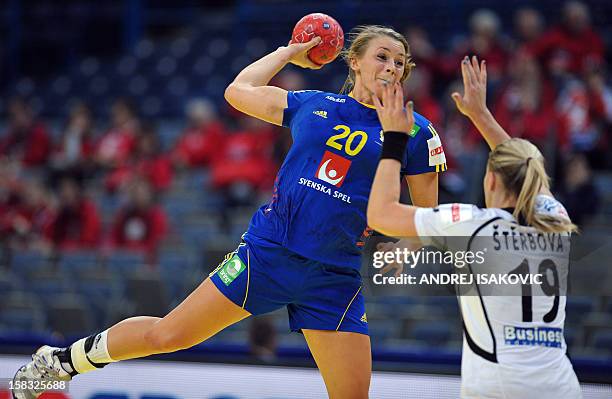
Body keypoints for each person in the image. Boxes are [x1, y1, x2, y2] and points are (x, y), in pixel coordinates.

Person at [11, 25, 446, 399]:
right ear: (353, 61)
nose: (392, 67)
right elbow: (238, 93)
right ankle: (61, 361)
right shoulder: (314, 104)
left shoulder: (416, 130)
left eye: (400, 63)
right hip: (269, 253)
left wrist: (405, 248)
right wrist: (290, 52)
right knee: (169, 335)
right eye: (382, 56)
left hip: (334, 274)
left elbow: (426, 213)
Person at [367, 56, 581, 399]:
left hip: (498, 387)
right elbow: (529, 169)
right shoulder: (554, 219)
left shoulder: (469, 224)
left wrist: (394, 138)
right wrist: (481, 115)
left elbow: (379, 214)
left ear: (490, 180)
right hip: (559, 384)